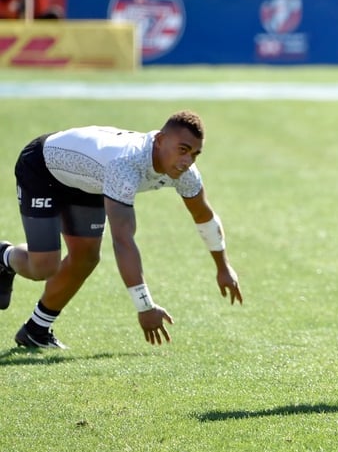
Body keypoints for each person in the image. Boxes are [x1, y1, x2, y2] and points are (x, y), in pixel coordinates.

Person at [0, 111, 243, 349]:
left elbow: (203, 215)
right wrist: (144, 305)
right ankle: (4, 255)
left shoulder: (184, 172)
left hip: (89, 181)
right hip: (43, 167)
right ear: (159, 140)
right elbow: (123, 239)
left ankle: (35, 331)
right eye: (182, 150)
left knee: (86, 257)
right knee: (43, 267)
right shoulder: (125, 165)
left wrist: (223, 266)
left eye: (195, 154)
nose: (187, 161)